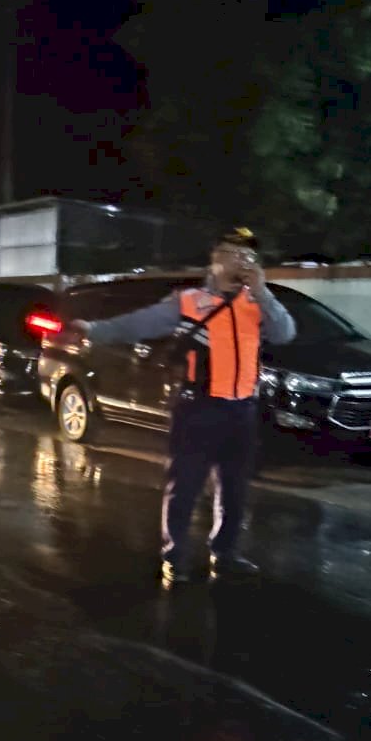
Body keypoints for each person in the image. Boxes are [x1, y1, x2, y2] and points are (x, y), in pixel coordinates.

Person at [76, 227, 296, 588]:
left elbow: (285, 333)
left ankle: (224, 554)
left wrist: (263, 291)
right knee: (186, 486)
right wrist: (93, 329)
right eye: (232, 253)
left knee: (235, 489)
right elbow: (137, 324)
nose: (241, 261)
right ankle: (174, 557)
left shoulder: (257, 304)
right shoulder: (189, 301)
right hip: (199, 409)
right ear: (215, 259)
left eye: (249, 257)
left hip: (242, 410)